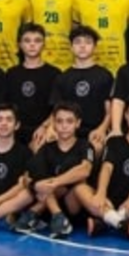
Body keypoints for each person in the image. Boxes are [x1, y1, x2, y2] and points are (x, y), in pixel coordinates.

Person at [76, 93, 129, 236]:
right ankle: (120, 223)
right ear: (125, 115)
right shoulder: (114, 142)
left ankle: (111, 220)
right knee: (80, 188)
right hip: (109, 201)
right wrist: (101, 192)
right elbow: (107, 168)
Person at [14, 102, 95, 239]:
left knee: (72, 181)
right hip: (49, 205)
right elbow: (29, 176)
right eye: (59, 121)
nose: (64, 126)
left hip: (73, 205)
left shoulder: (85, 145)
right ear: (53, 123)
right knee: (39, 182)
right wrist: (36, 185)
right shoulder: (46, 149)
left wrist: (55, 182)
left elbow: (85, 170)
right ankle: (57, 216)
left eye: (69, 121)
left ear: (78, 123)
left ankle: (35, 213)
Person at [47, 26, 113, 155]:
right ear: (71, 47)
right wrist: (51, 127)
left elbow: (109, 111)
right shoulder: (62, 77)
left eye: (88, 42)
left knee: (96, 148)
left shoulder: (105, 75)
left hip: (94, 130)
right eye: (78, 42)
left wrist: (102, 129)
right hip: (67, 130)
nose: (82, 46)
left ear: (95, 47)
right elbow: (56, 109)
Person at [4, 23, 61, 149]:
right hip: (14, 129)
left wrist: (46, 126)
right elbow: (5, 106)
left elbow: (58, 108)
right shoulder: (11, 74)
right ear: (19, 44)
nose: (32, 45)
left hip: (43, 129)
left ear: (44, 44)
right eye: (27, 40)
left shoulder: (54, 73)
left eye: (37, 41)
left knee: (38, 149)